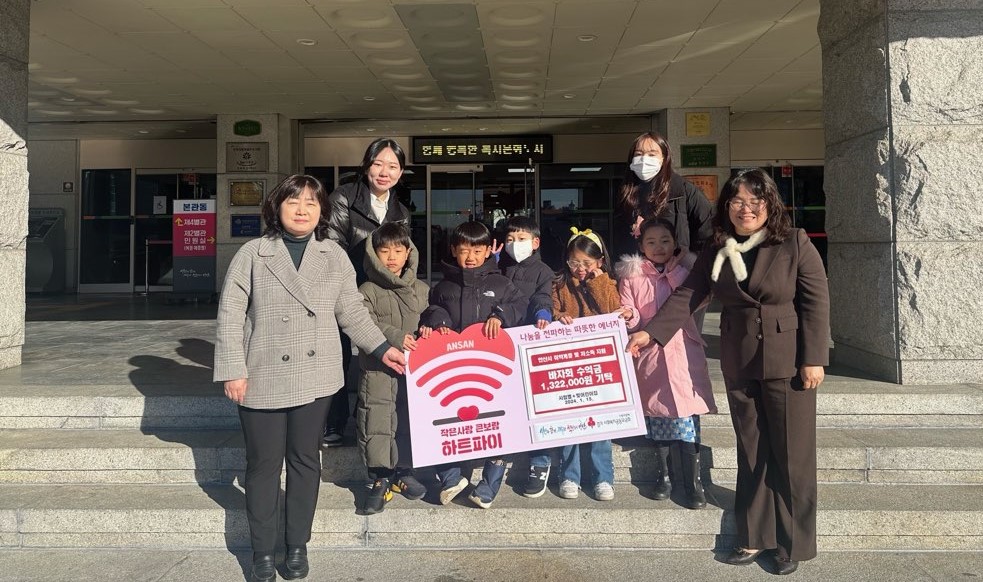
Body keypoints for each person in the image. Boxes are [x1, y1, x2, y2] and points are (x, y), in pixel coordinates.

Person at [625, 169, 830, 575]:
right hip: (740, 360)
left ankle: (791, 543)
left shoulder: (794, 241)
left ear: (770, 204)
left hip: (789, 361)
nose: (746, 208)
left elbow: (816, 302)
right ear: (726, 207)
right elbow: (688, 295)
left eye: (755, 201)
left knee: (792, 455)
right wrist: (651, 333)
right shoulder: (718, 248)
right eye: (737, 201)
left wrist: (814, 357)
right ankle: (755, 536)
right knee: (752, 451)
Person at [214, 174, 407, 582]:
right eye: (293, 202)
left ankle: (297, 544)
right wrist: (232, 368)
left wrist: (381, 347)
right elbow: (230, 314)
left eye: (311, 204)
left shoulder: (333, 256)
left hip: (316, 376)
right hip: (260, 373)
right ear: (276, 207)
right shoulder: (253, 252)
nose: (302, 210)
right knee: (263, 466)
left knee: (305, 462)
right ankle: (263, 552)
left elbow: (351, 311)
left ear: (322, 212)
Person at [418, 221, 528, 508]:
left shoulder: (501, 283)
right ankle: (452, 477)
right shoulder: (443, 286)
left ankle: (489, 485)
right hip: (455, 372)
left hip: (494, 371)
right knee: (441, 420)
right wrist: (435, 322)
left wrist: (500, 316)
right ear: (454, 250)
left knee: (500, 426)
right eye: (464, 249)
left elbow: (520, 306)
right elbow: (433, 309)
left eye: (477, 250)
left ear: (488, 250)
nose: (470, 256)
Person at [615, 218, 716, 509]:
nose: (658, 247)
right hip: (651, 355)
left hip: (683, 352)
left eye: (664, 241)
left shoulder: (687, 273)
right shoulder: (632, 278)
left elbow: (698, 298)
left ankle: (693, 482)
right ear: (640, 246)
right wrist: (628, 316)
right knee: (658, 418)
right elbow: (632, 312)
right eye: (651, 242)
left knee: (688, 418)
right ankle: (665, 477)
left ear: (675, 244)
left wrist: (679, 269)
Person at [322, 138, 412, 447]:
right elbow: (330, 249)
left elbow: (402, 255)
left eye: (393, 166)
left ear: (401, 172)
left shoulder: (400, 210)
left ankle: (382, 425)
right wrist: (347, 291)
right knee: (338, 355)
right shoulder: (344, 198)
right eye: (378, 164)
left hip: (381, 296)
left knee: (380, 355)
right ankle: (334, 423)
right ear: (366, 166)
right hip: (344, 292)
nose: (384, 172)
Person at [549, 227, 632, 501]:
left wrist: (598, 282)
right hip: (570, 364)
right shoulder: (559, 284)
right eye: (575, 263)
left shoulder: (608, 282)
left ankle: (603, 477)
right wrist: (559, 316)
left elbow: (612, 311)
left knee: (601, 423)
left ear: (599, 262)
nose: (580, 268)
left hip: (600, 368)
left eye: (587, 263)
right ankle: (569, 475)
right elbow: (553, 310)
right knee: (570, 421)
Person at [355, 223, 430, 515]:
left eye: (398, 250)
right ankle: (379, 478)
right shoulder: (368, 289)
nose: (391, 257)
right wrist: (396, 337)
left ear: (409, 253)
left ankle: (403, 472)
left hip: (415, 372)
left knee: (407, 419)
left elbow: (432, 317)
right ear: (373, 255)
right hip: (377, 369)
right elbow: (362, 322)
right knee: (377, 420)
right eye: (384, 250)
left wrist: (432, 327)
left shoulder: (421, 289)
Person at [496, 216, 557, 498]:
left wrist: (544, 313)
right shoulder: (497, 266)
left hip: (530, 347)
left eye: (521, 239)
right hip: (498, 345)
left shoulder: (543, 270)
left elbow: (542, 296)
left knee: (537, 406)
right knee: (502, 404)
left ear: (535, 243)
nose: (514, 245)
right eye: (510, 239)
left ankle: (540, 462)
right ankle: (496, 458)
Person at [616, 131, 715, 262]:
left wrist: (692, 261)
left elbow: (707, 229)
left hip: (679, 272)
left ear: (664, 158)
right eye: (639, 154)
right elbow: (619, 237)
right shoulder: (626, 193)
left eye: (652, 154)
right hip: (639, 275)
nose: (644, 159)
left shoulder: (683, 191)